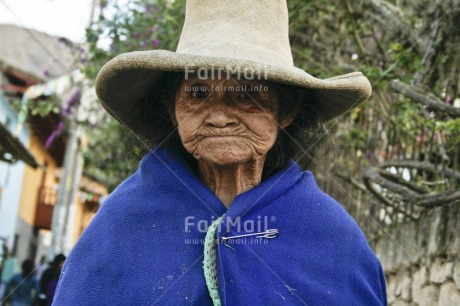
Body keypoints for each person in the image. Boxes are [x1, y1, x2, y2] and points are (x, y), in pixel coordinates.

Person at [53, 0, 387, 305]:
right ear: (173, 110)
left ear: (285, 111)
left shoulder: (331, 239)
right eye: (197, 93)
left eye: (246, 96)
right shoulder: (122, 224)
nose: (219, 116)